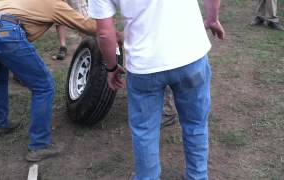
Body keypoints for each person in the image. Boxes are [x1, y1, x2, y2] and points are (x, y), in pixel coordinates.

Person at [88, 0, 225, 179]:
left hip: (144, 65)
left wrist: (112, 67)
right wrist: (212, 19)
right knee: (195, 124)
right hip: (191, 55)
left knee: (145, 131)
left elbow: (105, 34)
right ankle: (197, 176)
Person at [0, 0, 96, 162]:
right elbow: (89, 27)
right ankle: (39, 145)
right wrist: (115, 34)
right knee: (43, 86)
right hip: (2, 32)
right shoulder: (54, 4)